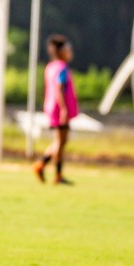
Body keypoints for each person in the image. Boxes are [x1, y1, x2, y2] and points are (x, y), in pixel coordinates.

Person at [33, 34, 78, 185]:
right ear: (62, 52)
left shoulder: (50, 67)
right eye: (68, 50)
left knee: (60, 140)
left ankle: (42, 164)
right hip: (60, 108)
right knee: (60, 141)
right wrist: (64, 109)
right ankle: (56, 174)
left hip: (51, 107)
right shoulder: (62, 68)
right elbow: (59, 88)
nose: (70, 53)